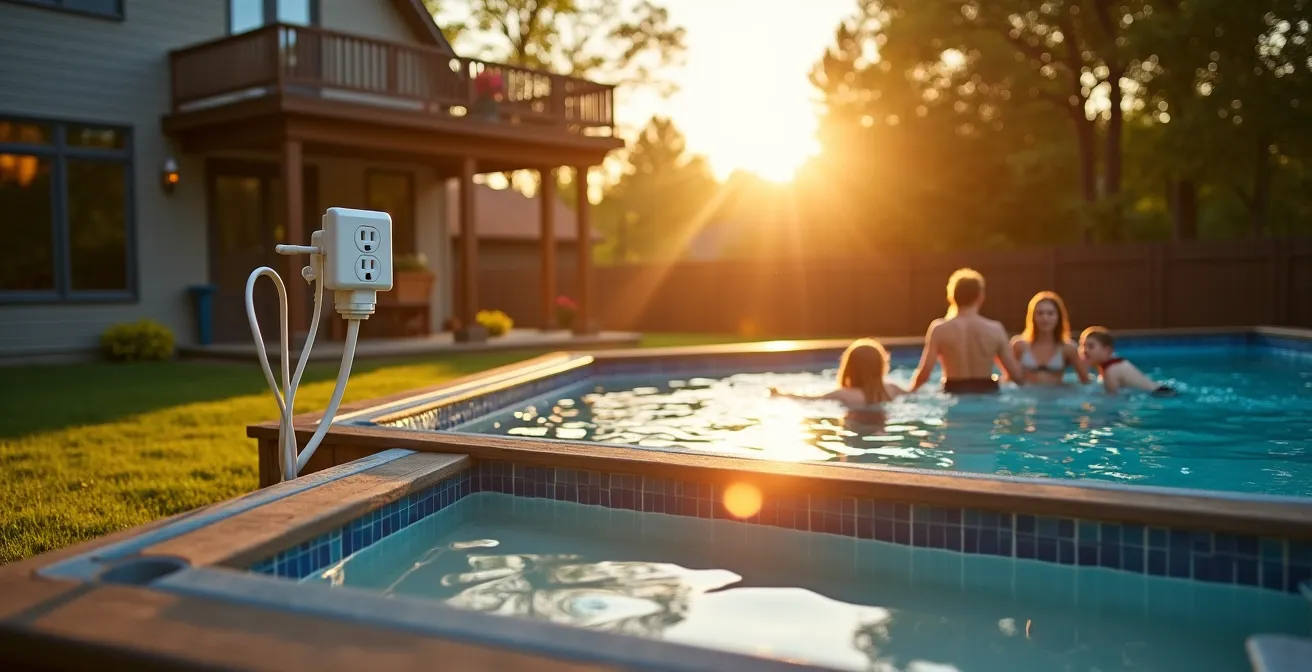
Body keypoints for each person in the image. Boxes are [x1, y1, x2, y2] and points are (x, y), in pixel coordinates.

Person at [911, 268, 1027, 394]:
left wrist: (910, 391)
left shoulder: (939, 329)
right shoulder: (995, 329)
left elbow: (924, 374)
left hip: (953, 391)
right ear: (980, 296)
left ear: (952, 297)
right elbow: (1016, 376)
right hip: (988, 392)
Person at [770, 338, 906, 408]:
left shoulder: (843, 394)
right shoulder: (892, 389)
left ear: (849, 368)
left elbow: (809, 399)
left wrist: (780, 394)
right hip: (881, 429)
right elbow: (915, 393)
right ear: (881, 366)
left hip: (855, 429)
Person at [1009, 291, 1091, 385]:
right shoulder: (1019, 346)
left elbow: (1085, 381)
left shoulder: (1068, 348)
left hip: (1057, 397)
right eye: (1040, 313)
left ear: (1058, 317)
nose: (1045, 318)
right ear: (1033, 317)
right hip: (1027, 397)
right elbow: (1008, 379)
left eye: (1050, 313)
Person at [1078, 326, 1176, 396]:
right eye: (1083, 346)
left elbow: (1112, 401)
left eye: (1091, 346)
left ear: (1106, 350)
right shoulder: (1115, 363)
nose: (1085, 350)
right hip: (1162, 390)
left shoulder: (1111, 371)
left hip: (1160, 396)